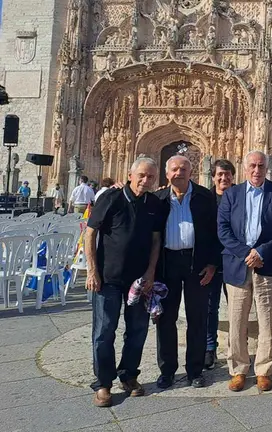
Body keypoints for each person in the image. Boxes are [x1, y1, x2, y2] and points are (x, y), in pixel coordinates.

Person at [83, 157, 164, 407]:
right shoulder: (111, 198)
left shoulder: (154, 203)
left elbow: (155, 240)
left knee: (137, 330)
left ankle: (128, 375)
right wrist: (92, 270)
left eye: (151, 176)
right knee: (104, 331)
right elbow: (90, 233)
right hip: (108, 278)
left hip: (138, 281)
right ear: (130, 175)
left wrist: (151, 272)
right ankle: (103, 383)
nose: (145, 180)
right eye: (141, 175)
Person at [218, 150, 272, 392]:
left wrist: (260, 253)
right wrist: (245, 253)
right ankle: (238, 370)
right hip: (238, 266)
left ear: (266, 167)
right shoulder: (231, 194)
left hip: (267, 265)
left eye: (261, 165)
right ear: (245, 167)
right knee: (237, 319)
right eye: (253, 165)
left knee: (268, 319)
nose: (257, 170)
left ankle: (263, 369)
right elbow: (223, 229)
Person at [154, 155, 219, 389]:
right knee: (166, 319)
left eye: (183, 168)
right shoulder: (158, 199)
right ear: (166, 173)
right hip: (167, 265)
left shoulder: (204, 197)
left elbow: (215, 233)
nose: (178, 172)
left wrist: (212, 264)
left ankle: (195, 370)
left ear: (191, 171)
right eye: (174, 169)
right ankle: (167, 370)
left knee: (198, 318)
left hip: (198, 264)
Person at [204, 159, 235, 370]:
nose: (223, 178)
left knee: (237, 308)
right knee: (209, 307)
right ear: (213, 176)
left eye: (227, 175)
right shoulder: (204, 198)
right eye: (220, 175)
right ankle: (209, 348)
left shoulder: (240, 197)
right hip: (211, 263)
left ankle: (237, 349)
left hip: (234, 261)